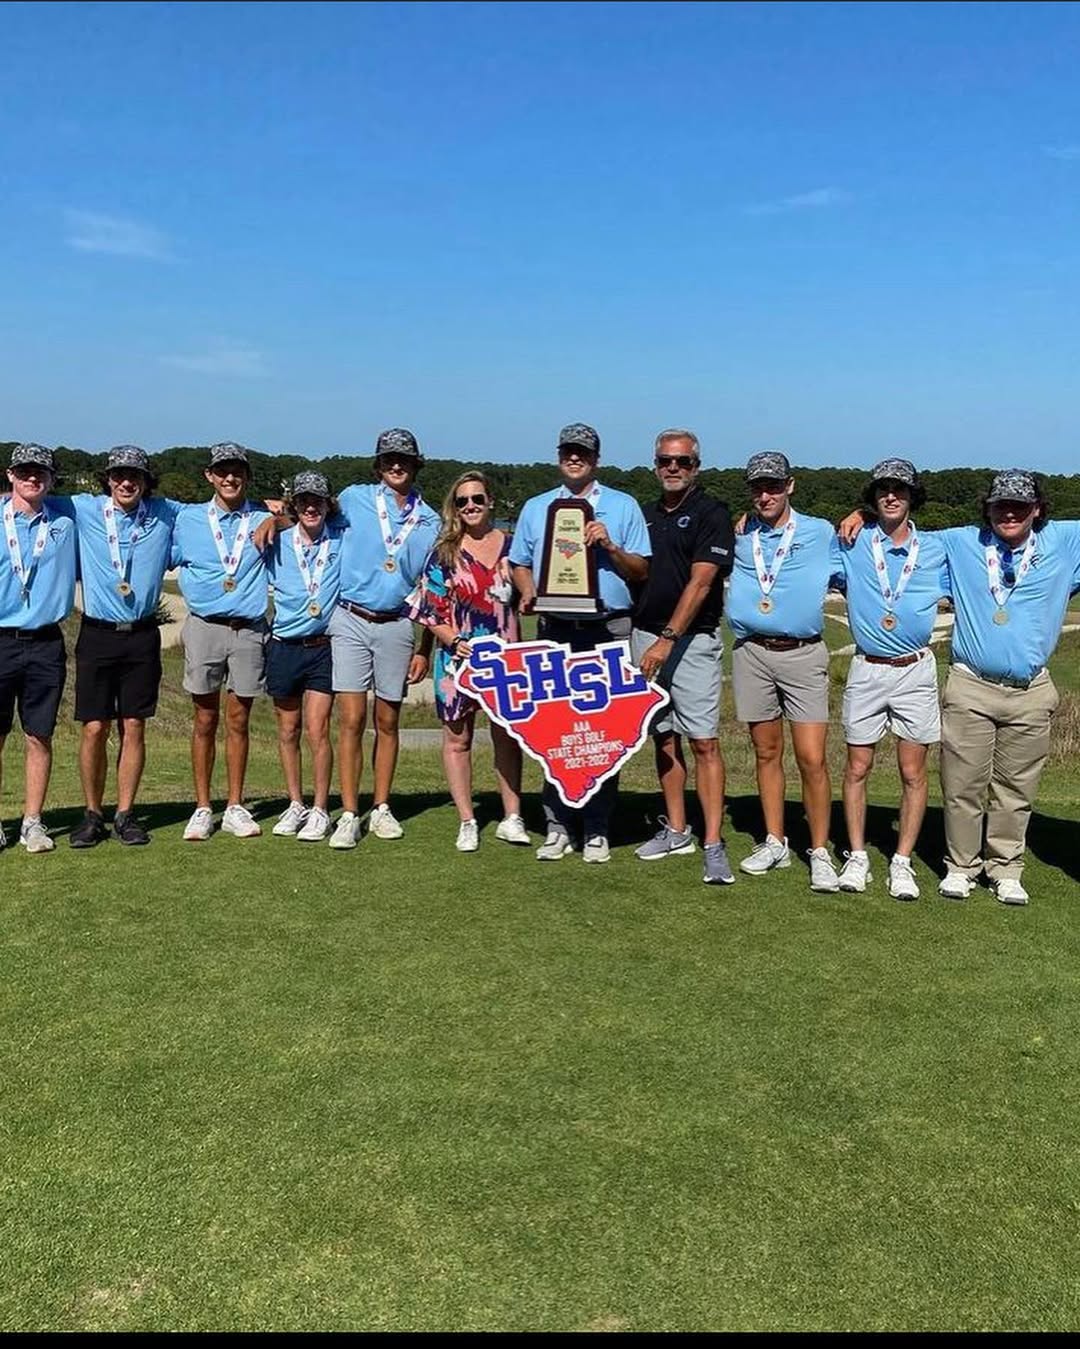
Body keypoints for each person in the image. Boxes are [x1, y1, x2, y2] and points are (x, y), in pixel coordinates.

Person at [841, 469, 1080, 905]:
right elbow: (899, 527)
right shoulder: (959, 541)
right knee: (962, 785)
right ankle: (961, 866)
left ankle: (1005, 868)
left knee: (1016, 789)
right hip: (971, 684)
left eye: (1019, 506)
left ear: (1037, 510)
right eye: (1000, 506)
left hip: (1031, 688)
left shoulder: (1065, 540)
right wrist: (863, 512)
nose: (1009, 514)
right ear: (987, 510)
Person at [510, 423, 650, 863]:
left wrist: (610, 545)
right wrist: (528, 590)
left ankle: (596, 827)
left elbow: (641, 571)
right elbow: (519, 562)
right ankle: (557, 826)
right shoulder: (537, 507)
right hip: (555, 630)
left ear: (596, 459)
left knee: (603, 735)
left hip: (608, 629)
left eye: (583, 452)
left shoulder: (623, 506)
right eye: (568, 451)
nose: (575, 458)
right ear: (559, 457)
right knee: (553, 731)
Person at [833, 459, 950, 899]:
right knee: (857, 767)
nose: (891, 496)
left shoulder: (937, 547)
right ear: (872, 497)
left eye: (900, 489)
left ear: (912, 496)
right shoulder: (851, 540)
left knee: (912, 771)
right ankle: (857, 856)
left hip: (915, 669)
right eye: (882, 489)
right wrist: (746, 519)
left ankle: (901, 861)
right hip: (868, 667)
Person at [728, 452, 844, 892]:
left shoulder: (820, 531)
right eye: (758, 488)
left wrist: (862, 512)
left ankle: (819, 850)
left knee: (812, 758)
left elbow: (865, 542)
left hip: (803, 653)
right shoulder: (741, 534)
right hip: (752, 653)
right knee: (766, 752)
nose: (765, 495)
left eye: (773, 486)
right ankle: (775, 840)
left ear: (790, 485)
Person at [630, 429, 736, 884]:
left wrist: (668, 638)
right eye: (665, 461)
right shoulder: (645, 514)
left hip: (690, 641)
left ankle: (713, 842)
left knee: (703, 741)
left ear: (697, 466)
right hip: (643, 636)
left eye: (683, 461)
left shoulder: (712, 512)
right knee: (664, 737)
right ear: (655, 465)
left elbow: (702, 581)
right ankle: (676, 829)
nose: (673, 468)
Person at [325, 429, 439, 849]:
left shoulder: (431, 520)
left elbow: (432, 589)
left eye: (404, 459)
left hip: (397, 624)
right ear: (378, 465)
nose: (396, 465)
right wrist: (274, 519)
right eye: (389, 459)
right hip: (350, 617)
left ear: (415, 464)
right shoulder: (354, 497)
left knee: (387, 721)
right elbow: (311, 519)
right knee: (351, 719)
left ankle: (382, 806)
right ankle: (349, 813)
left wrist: (425, 648)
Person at [408, 471, 530, 852]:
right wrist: (454, 640)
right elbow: (431, 610)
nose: (471, 506)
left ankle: (512, 817)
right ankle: (467, 820)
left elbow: (530, 594)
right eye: (462, 501)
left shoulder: (515, 548)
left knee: (506, 738)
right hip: (457, 660)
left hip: (506, 659)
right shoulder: (444, 552)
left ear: (491, 501)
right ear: (455, 508)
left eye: (478, 498)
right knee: (457, 739)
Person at [68, 445, 180, 847]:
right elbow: (27, 498)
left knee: (133, 725)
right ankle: (92, 814)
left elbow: (215, 513)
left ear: (146, 482)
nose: (126, 482)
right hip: (97, 633)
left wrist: (271, 518)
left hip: (142, 635)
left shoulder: (166, 513)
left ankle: (126, 814)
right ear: (108, 479)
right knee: (94, 728)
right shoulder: (83, 508)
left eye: (135, 476)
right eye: (119, 475)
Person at [170, 443, 272, 841]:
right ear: (209, 476)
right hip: (205, 626)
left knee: (239, 719)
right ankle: (202, 807)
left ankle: (234, 805)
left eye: (237, 471)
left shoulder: (262, 518)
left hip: (248, 629)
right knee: (204, 719)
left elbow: (313, 514)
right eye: (222, 471)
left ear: (247, 476)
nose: (230, 478)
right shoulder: (188, 518)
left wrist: (279, 518)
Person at [0, 444, 77, 853]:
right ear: (10, 475)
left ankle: (32, 822)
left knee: (38, 735)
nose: (33, 478)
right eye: (25, 471)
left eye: (41, 472)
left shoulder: (66, 521)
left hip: (46, 642)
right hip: (0, 639)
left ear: (51, 479)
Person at [263, 472, 343, 843]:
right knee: (287, 730)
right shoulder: (277, 541)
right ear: (294, 505)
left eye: (318, 501)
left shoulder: (341, 540)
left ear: (328, 505)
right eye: (304, 501)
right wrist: (272, 518)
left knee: (317, 729)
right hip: (283, 645)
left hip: (323, 647)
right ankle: (295, 803)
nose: (311, 507)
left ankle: (321, 808)